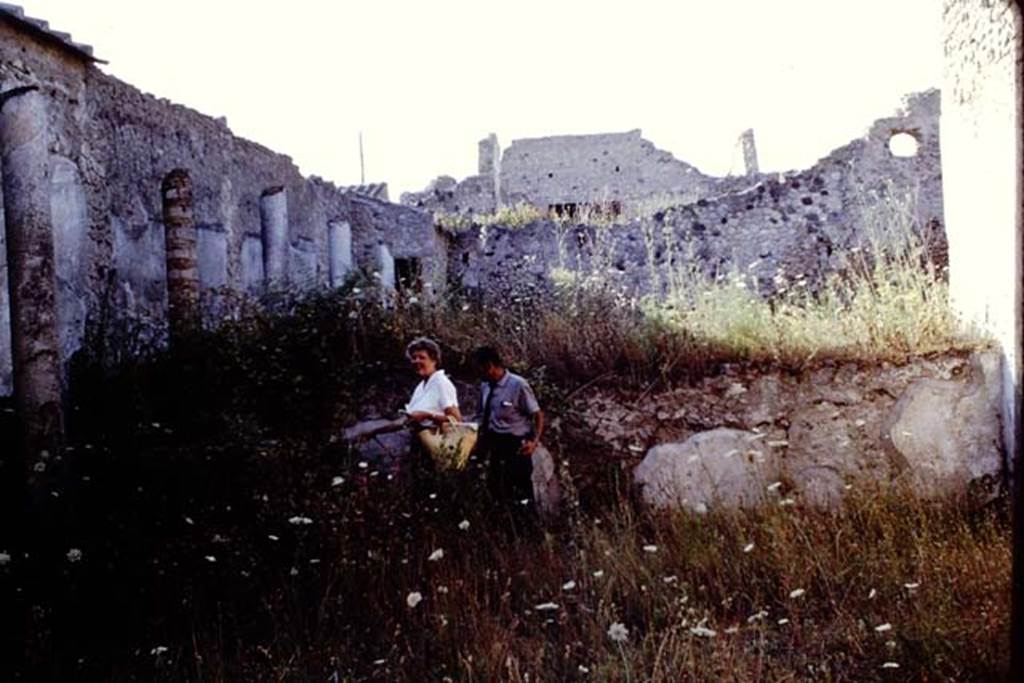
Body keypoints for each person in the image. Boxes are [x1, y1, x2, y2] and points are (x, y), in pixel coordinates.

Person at [471, 346, 544, 511]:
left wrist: (534, 442)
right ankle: (503, 531)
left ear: (489, 365)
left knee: (520, 492)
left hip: (515, 445)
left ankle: (529, 532)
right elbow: (481, 415)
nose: (477, 374)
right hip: (494, 444)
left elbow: (538, 414)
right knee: (496, 489)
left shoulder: (518, 385)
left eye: (479, 369)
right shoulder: (485, 386)